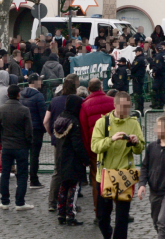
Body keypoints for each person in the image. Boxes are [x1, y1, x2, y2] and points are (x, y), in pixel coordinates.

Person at [91, 91, 145, 239]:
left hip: (124, 175)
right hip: (105, 175)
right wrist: (111, 139)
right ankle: (107, 237)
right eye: (123, 107)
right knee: (102, 216)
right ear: (115, 106)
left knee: (122, 216)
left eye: (129, 107)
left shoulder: (133, 123)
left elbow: (140, 149)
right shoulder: (102, 122)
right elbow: (95, 146)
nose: (126, 110)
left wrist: (136, 143)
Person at [0, 85, 34, 210]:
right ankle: (20, 202)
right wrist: (28, 143)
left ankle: (4, 201)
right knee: (22, 174)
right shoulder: (24, 110)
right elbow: (29, 131)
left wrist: (3, 141)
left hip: (7, 146)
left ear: (7, 94)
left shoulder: (1, 110)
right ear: (18, 95)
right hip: (21, 146)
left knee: (5, 173)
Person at [79, 78, 115, 212]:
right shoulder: (112, 102)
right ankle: (116, 208)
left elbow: (84, 130)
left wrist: (87, 152)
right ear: (101, 87)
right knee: (114, 175)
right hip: (112, 145)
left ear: (88, 89)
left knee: (96, 178)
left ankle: (98, 210)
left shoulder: (85, 105)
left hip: (95, 148)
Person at [45, 75, 79, 211]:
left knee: (57, 171)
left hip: (57, 140)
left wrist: (52, 133)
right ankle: (70, 203)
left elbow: (45, 121)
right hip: (74, 139)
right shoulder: (77, 101)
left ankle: (53, 201)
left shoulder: (54, 101)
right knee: (73, 171)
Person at [52, 95, 88, 226]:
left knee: (63, 186)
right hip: (73, 159)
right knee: (73, 188)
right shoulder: (74, 122)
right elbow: (77, 143)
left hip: (61, 157)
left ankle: (61, 213)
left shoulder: (60, 119)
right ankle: (70, 215)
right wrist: (86, 158)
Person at [20, 74, 46, 189]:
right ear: (35, 82)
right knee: (35, 155)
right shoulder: (39, 96)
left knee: (24, 155)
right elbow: (43, 115)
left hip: (23, 128)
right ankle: (33, 179)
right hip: (36, 129)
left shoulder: (21, 94)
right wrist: (45, 128)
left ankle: (21, 178)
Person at [150, 44, 165, 109]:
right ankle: (162, 103)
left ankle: (157, 104)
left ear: (156, 49)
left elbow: (158, 66)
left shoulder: (158, 56)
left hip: (159, 75)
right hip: (164, 74)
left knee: (156, 89)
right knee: (162, 89)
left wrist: (155, 73)